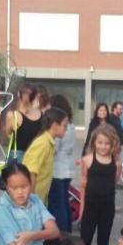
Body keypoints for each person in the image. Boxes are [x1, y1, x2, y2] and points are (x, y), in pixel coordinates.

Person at [79, 124, 122, 245]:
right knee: (85, 240)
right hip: (90, 206)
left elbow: (113, 182)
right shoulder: (87, 160)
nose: (103, 146)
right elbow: (83, 185)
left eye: (107, 143)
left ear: (113, 144)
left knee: (103, 241)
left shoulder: (117, 163)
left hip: (107, 206)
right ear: (94, 142)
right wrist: (81, 210)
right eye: (100, 143)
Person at [22, 107, 69, 205]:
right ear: (55, 125)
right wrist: (30, 199)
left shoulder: (48, 142)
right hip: (33, 200)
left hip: (39, 199)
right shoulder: (43, 143)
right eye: (65, 126)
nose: (66, 129)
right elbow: (31, 172)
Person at [48, 95, 76, 232]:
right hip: (68, 167)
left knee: (57, 205)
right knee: (64, 203)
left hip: (57, 169)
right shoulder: (71, 125)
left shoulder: (60, 128)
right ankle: (67, 231)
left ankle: (61, 234)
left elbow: (54, 148)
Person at [3, 83, 42, 163]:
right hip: (35, 154)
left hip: (17, 154)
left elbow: (8, 135)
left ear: (18, 94)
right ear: (34, 96)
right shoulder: (40, 114)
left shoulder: (13, 115)